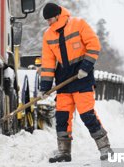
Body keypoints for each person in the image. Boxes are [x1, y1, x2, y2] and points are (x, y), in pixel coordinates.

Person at [39, 3, 114, 163]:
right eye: (47, 20)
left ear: (58, 15)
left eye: (50, 19)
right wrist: (45, 86)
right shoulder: (48, 35)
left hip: (82, 78)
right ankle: (64, 152)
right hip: (64, 80)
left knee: (87, 115)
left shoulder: (78, 24)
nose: (49, 23)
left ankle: (105, 148)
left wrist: (86, 67)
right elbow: (48, 62)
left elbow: (94, 45)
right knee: (62, 117)